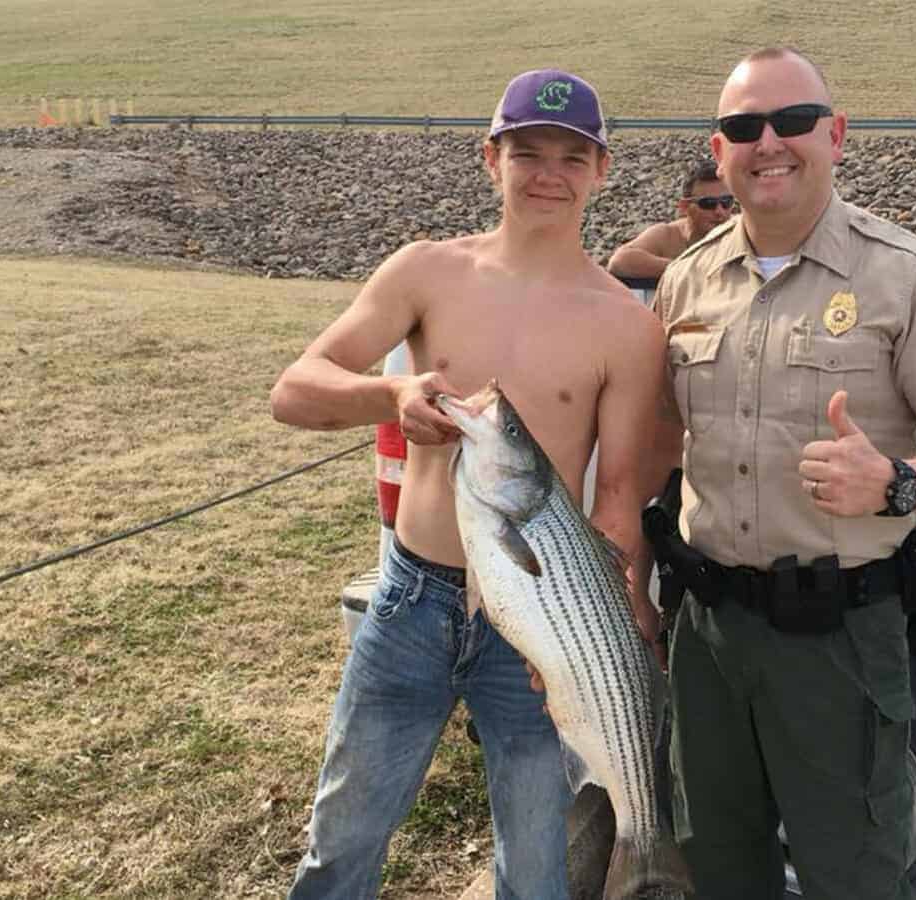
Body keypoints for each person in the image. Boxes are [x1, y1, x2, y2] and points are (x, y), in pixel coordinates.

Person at [270, 68, 667, 900]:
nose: (548, 174)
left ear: (602, 171)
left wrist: (593, 626)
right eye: (527, 152)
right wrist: (390, 394)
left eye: (571, 156)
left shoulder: (628, 327)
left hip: (537, 627)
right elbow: (295, 390)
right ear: (491, 160)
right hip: (411, 601)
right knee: (342, 842)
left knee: (535, 868)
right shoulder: (425, 271)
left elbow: (619, 500)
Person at [639, 48, 916, 900]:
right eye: (743, 127)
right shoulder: (686, 282)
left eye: (793, 121)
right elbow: (661, 446)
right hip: (707, 636)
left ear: (836, 134)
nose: (768, 142)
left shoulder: (907, 273)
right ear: (720, 148)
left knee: (851, 873)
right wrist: (628, 573)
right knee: (717, 865)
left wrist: (896, 485)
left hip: (837, 642)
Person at [606, 160, 734, 278]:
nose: (719, 211)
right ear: (685, 207)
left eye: (726, 202)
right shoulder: (667, 235)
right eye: (708, 203)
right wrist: (689, 269)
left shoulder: (739, 231)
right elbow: (619, 261)